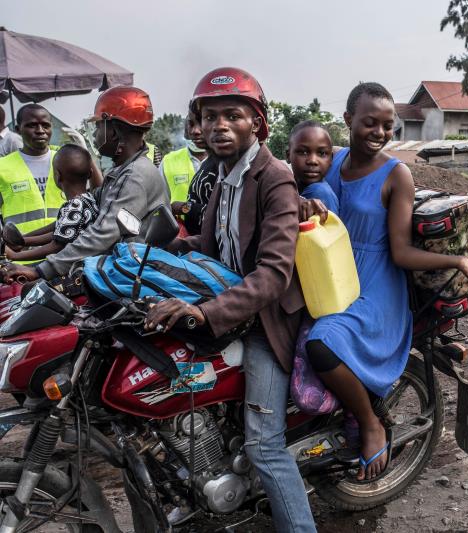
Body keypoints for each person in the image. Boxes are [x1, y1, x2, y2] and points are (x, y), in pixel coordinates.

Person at [144, 67, 317, 533]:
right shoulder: (223, 175)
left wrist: (204, 311)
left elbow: (273, 273)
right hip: (233, 308)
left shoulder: (274, 177)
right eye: (210, 117)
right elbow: (213, 247)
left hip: (265, 321)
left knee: (264, 445)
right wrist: (157, 251)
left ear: (256, 123)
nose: (219, 126)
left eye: (232, 116)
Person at [303, 82, 468, 481]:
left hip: (374, 288)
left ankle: (370, 422)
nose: (379, 132)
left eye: (387, 125)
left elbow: (401, 252)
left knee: (320, 343)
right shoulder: (330, 159)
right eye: (369, 122)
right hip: (330, 275)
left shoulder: (397, 174)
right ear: (347, 120)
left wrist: (459, 260)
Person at [3, 86, 170, 283]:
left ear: (113, 132)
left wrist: (40, 269)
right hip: (122, 273)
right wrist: (24, 240)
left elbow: (103, 233)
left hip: (132, 278)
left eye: (98, 127)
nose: (95, 134)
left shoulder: (135, 176)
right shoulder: (120, 173)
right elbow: (72, 218)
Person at [4, 145, 98, 262]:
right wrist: (24, 240)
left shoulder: (74, 206)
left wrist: (14, 256)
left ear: (58, 176)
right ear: (90, 174)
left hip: (73, 267)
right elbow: (59, 230)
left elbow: (56, 245)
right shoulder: (89, 200)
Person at [0, 104, 64, 237]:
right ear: (18, 130)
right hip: (20, 248)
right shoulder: (2, 166)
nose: (40, 130)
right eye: (32, 125)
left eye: (45, 125)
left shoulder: (65, 161)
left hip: (65, 246)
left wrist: (87, 157)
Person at [160, 112, 208, 217]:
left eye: (201, 124)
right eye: (191, 125)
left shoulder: (223, 162)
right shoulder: (169, 161)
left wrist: (184, 208)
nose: (196, 131)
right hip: (179, 226)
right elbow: (160, 203)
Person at [287, 120, 339, 214]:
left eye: (322, 153)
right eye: (303, 152)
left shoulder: (318, 192)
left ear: (331, 159)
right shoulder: (290, 186)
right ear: (288, 155)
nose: (312, 161)